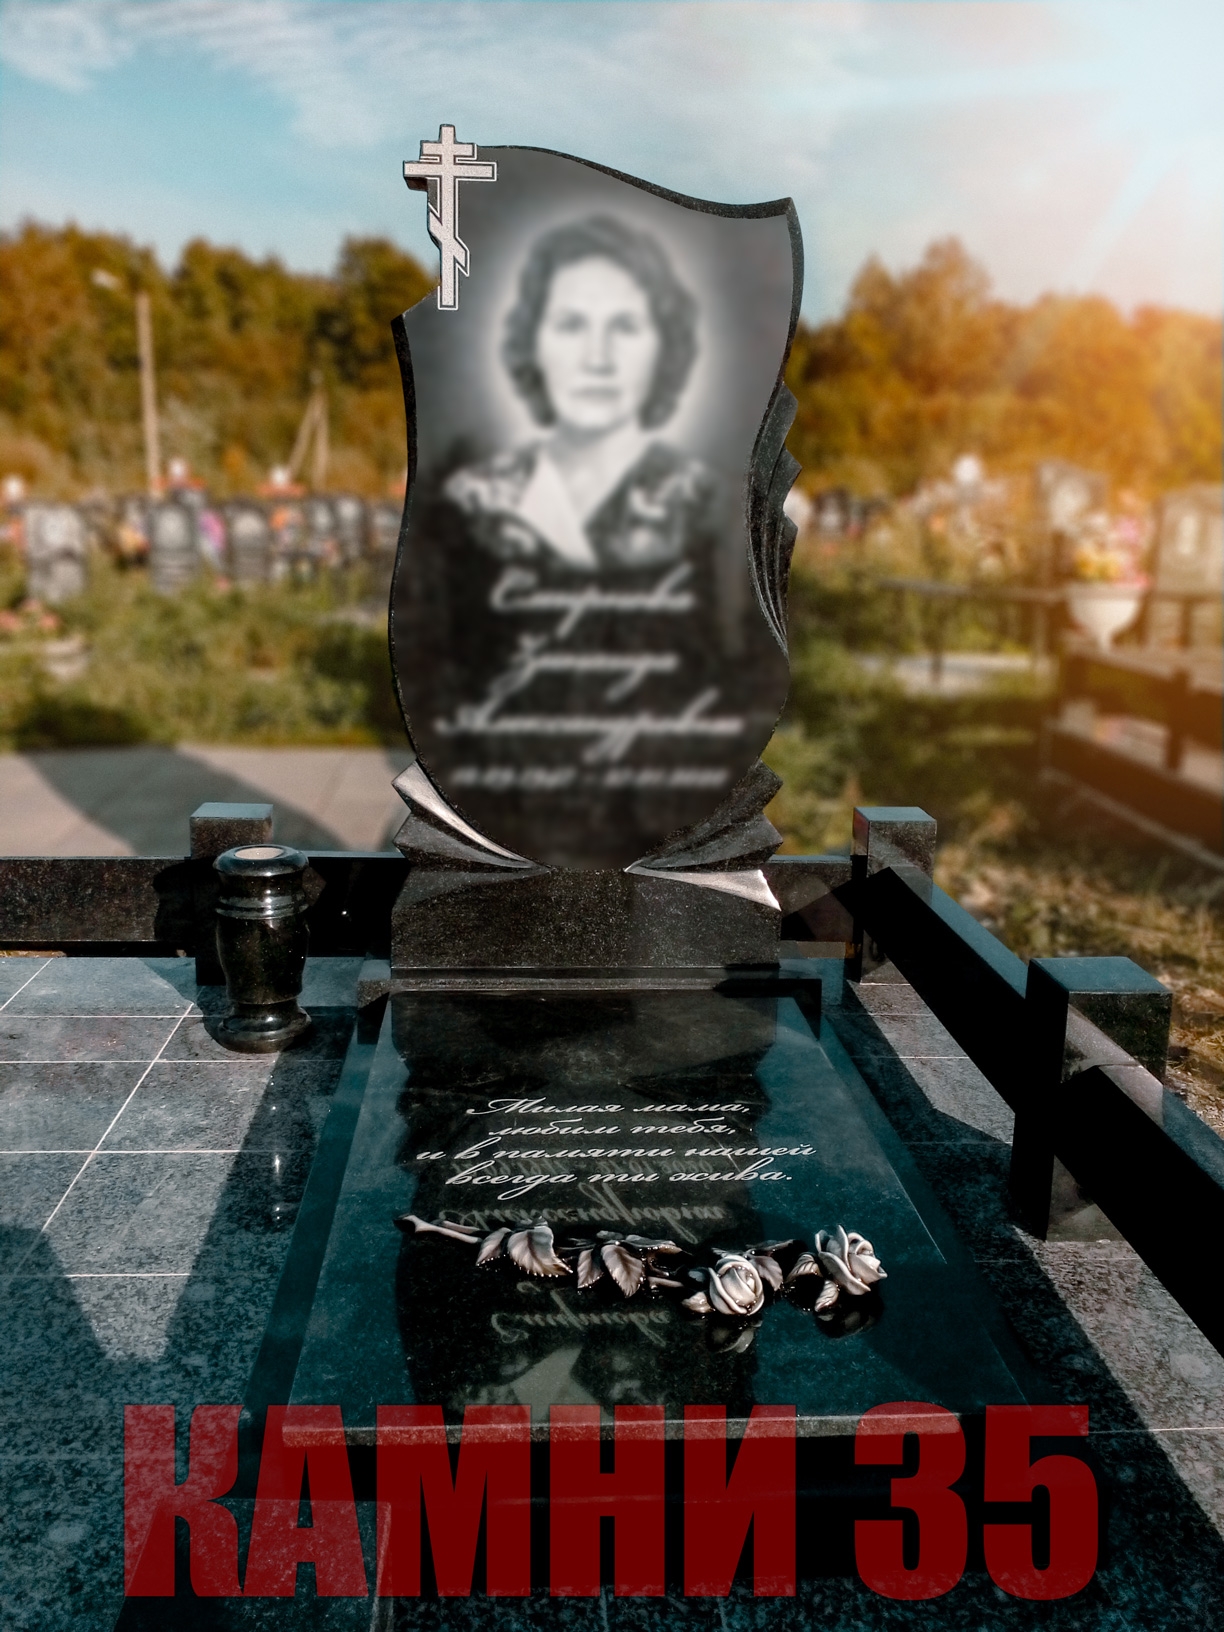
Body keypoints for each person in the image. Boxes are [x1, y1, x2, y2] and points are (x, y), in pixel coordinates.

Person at [442, 213, 713, 573]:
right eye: (570, 326)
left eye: (625, 327)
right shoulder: (474, 497)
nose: (597, 359)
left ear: (665, 346)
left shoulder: (706, 500)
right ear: (532, 342)